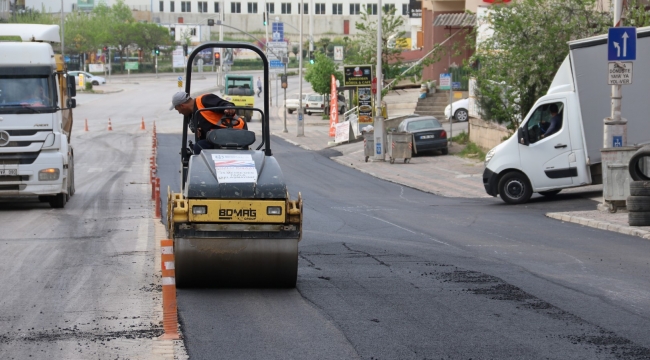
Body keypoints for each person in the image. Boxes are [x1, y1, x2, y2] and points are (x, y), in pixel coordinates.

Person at [170, 91, 246, 154]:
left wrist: (228, 108)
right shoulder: (193, 116)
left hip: (234, 132)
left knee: (198, 147)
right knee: (198, 146)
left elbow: (223, 104)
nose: (179, 112)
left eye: (177, 109)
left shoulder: (204, 99)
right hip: (217, 137)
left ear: (182, 106)